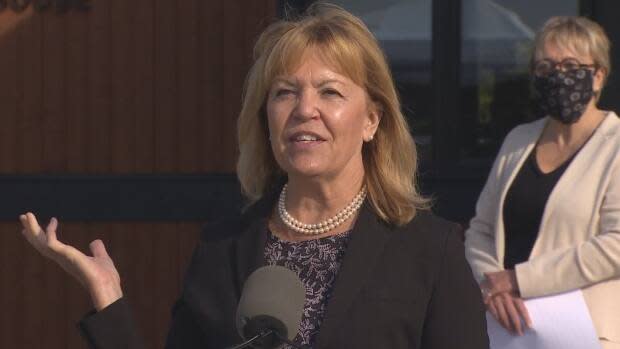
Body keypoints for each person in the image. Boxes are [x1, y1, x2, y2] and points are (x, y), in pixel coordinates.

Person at [20, 3, 488, 348]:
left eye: (330, 92)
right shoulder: (223, 248)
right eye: (285, 92)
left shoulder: (430, 251)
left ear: (371, 121)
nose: (305, 110)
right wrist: (110, 299)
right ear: (265, 116)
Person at [464, 16, 620, 348]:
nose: (557, 77)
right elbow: (480, 229)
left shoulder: (615, 145)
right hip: (509, 331)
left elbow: (615, 245)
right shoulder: (519, 140)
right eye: (546, 67)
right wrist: (491, 285)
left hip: (587, 334)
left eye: (569, 65)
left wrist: (518, 280)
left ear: (598, 76)